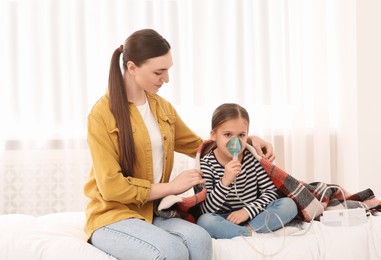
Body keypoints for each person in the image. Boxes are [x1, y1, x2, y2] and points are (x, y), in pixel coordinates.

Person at [84, 29, 275, 260]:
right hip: (113, 216)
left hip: (154, 212)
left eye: (168, 70)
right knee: (171, 250)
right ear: (132, 67)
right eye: (159, 71)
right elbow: (111, 187)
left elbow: (200, 145)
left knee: (199, 239)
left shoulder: (162, 108)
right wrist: (172, 187)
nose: (166, 79)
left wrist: (245, 140)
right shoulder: (101, 115)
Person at [196, 103, 298, 239]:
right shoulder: (207, 164)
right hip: (225, 219)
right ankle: (252, 234)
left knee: (289, 205)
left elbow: (271, 193)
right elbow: (207, 209)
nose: (235, 142)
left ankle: (249, 230)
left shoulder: (252, 158)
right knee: (205, 221)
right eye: (227, 134)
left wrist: (247, 211)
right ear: (214, 135)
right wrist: (225, 181)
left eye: (241, 135)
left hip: (254, 215)